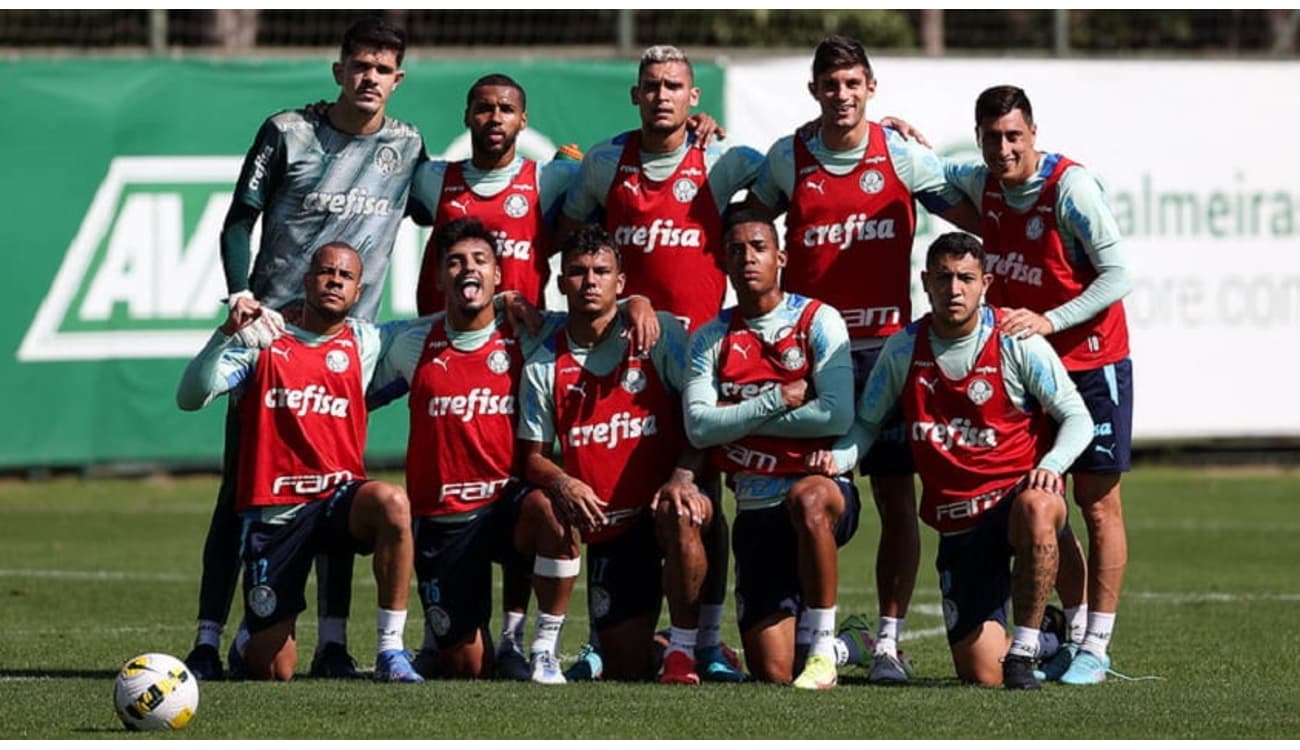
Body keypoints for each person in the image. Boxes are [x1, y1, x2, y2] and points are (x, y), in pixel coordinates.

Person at [186, 16, 428, 681]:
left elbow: (448, 202)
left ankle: (333, 645)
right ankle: (208, 640)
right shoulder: (287, 131)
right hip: (274, 342)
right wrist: (241, 294)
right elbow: (241, 218)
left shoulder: (407, 146)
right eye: (360, 66)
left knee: (334, 487)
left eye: (383, 69)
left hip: (351, 348)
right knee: (242, 489)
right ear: (338, 70)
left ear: (398, 79)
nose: (370, 78)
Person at [746, 34, 978, 685]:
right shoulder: (790, 159)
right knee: (806, 496)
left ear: (871, 88)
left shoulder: (900, 156)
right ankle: (813, 632)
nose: (842, 96)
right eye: (831, 85)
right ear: (815, 90)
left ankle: (887, 644)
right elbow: (745, 226)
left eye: (854, 84)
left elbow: (976, 216)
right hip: (815, 360)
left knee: (898, 501)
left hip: (889, 358)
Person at [366, 218, 658, 680]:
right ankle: (443, 643)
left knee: (552, 507)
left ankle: (538, 648)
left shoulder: (530, 331)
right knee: (465, 666)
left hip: (506, 507)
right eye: (456, 262)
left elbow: (592, 312)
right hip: (444, 520)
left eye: (480, 261)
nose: (469, 270)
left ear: (499, 275)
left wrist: (635, 302)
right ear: (439, 277)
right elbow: (353, 392)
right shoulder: (412, 344)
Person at [557, 44, 764, 681]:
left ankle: (701, 640)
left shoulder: (721, 160)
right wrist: (619, 300)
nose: (662, 95)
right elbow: (574, 234)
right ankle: (605, 632)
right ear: (635, 95)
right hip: (623, 357)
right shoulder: (605, 163)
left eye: (674, 86)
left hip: (702, 359)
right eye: (651, 85)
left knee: (702, 496)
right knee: (612, 486)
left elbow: (789, 182)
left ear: (693, 98)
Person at [809, 231, 1094, 689]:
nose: (954, 289)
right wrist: (836, 458)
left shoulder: (1016, 342)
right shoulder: (903, 349)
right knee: (982, 674)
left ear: (987, 282)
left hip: (1017, 506)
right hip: (962, 527)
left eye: (966, 278)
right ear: (926, 282)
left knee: (1039, 505)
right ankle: (1048, 637)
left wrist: (1051, 466)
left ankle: (1023, 652)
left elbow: (1077, 418)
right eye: (943, 278)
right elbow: (867, 423)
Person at [944, 85, 1132, 685]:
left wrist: (1052, 321)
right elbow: (924, 172)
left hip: (1093, 360)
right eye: (992, 137)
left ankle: (1097, 646)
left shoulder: (1069, 190)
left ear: (1033, 133)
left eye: (1013, 136)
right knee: (1047, 507)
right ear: (979, 138)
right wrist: (898, 137)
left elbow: (1118, 275)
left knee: (1097, 503)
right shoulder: (984, 183)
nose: (1003, 148)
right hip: (1032, 372)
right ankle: (1072, 633)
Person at [177, 243, 422, 683]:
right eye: (325, 272)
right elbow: (190, 397)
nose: (334, 280)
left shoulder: (366, 342)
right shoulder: (263, 344)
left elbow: (441, 332)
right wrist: (225, 335)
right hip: (278, 513)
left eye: (344, 277)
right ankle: (251, 634)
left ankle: (390, 651)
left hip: (336, 502)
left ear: (357, 291)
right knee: (273, 669)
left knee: (393, 503)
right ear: (307, 281)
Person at [514, 225, 713, 684]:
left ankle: (684, 649)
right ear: (561, 282)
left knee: (683, 512)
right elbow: (532, 458)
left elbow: (701, 424)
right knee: (628, 668)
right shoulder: (546, 362)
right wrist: (561, 480)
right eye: (578, 272)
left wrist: (683, 479)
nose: (589, 281)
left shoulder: (656, 335)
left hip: (661, 508)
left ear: (620, 283)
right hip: (609, 528)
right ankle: (651, 644)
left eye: (601, 271)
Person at [683, 210, 858, 690]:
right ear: (724, 262)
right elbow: (699, 427)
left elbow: (836, 415)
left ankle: (824, 650)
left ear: (780, 257)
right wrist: (776, 398)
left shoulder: (817, 319)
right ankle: (850, 644)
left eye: (758, 247)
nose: (748, 257)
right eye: (736, 249)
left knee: (809, 499)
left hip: (822, 490)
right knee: (774, 672)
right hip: (755, 508)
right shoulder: (709, 338)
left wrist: (735, 419)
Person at [412, 73, 582, 313]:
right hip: (445, 338)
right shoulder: (430, 178)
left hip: (522, 336)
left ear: (523, 120)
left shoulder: (551, 179)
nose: (495, 118)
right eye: (484, 109)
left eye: (507, 109)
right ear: (467, 117)